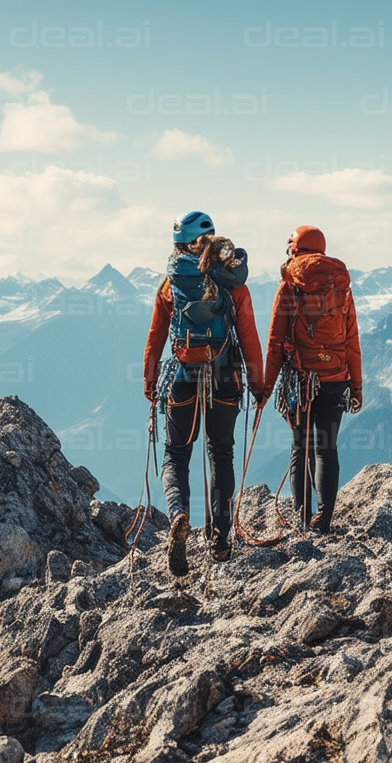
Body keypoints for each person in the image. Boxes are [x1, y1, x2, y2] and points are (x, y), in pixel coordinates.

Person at [143, 211, 265, 576]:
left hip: (181, 378)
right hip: (225, 377)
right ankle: (220, 537)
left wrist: (150, 382)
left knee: (176, 454)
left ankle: (179, 513)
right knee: (221, 453)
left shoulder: (169, 285)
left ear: (179, 246)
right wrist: (259, 386)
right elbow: (250, 339)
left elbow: (155, 338)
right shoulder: (235, 287)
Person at [261, 225, 362, 535]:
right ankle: (324, 517)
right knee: (326, 447)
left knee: (300, 447)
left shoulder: (290, 285)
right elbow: (351, 340)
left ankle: (303, 518)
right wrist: (356, 387)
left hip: (300, 382)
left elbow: (276, 342)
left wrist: (265, 388)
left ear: (294, 249)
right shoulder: (341, 287)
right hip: (336, 377)